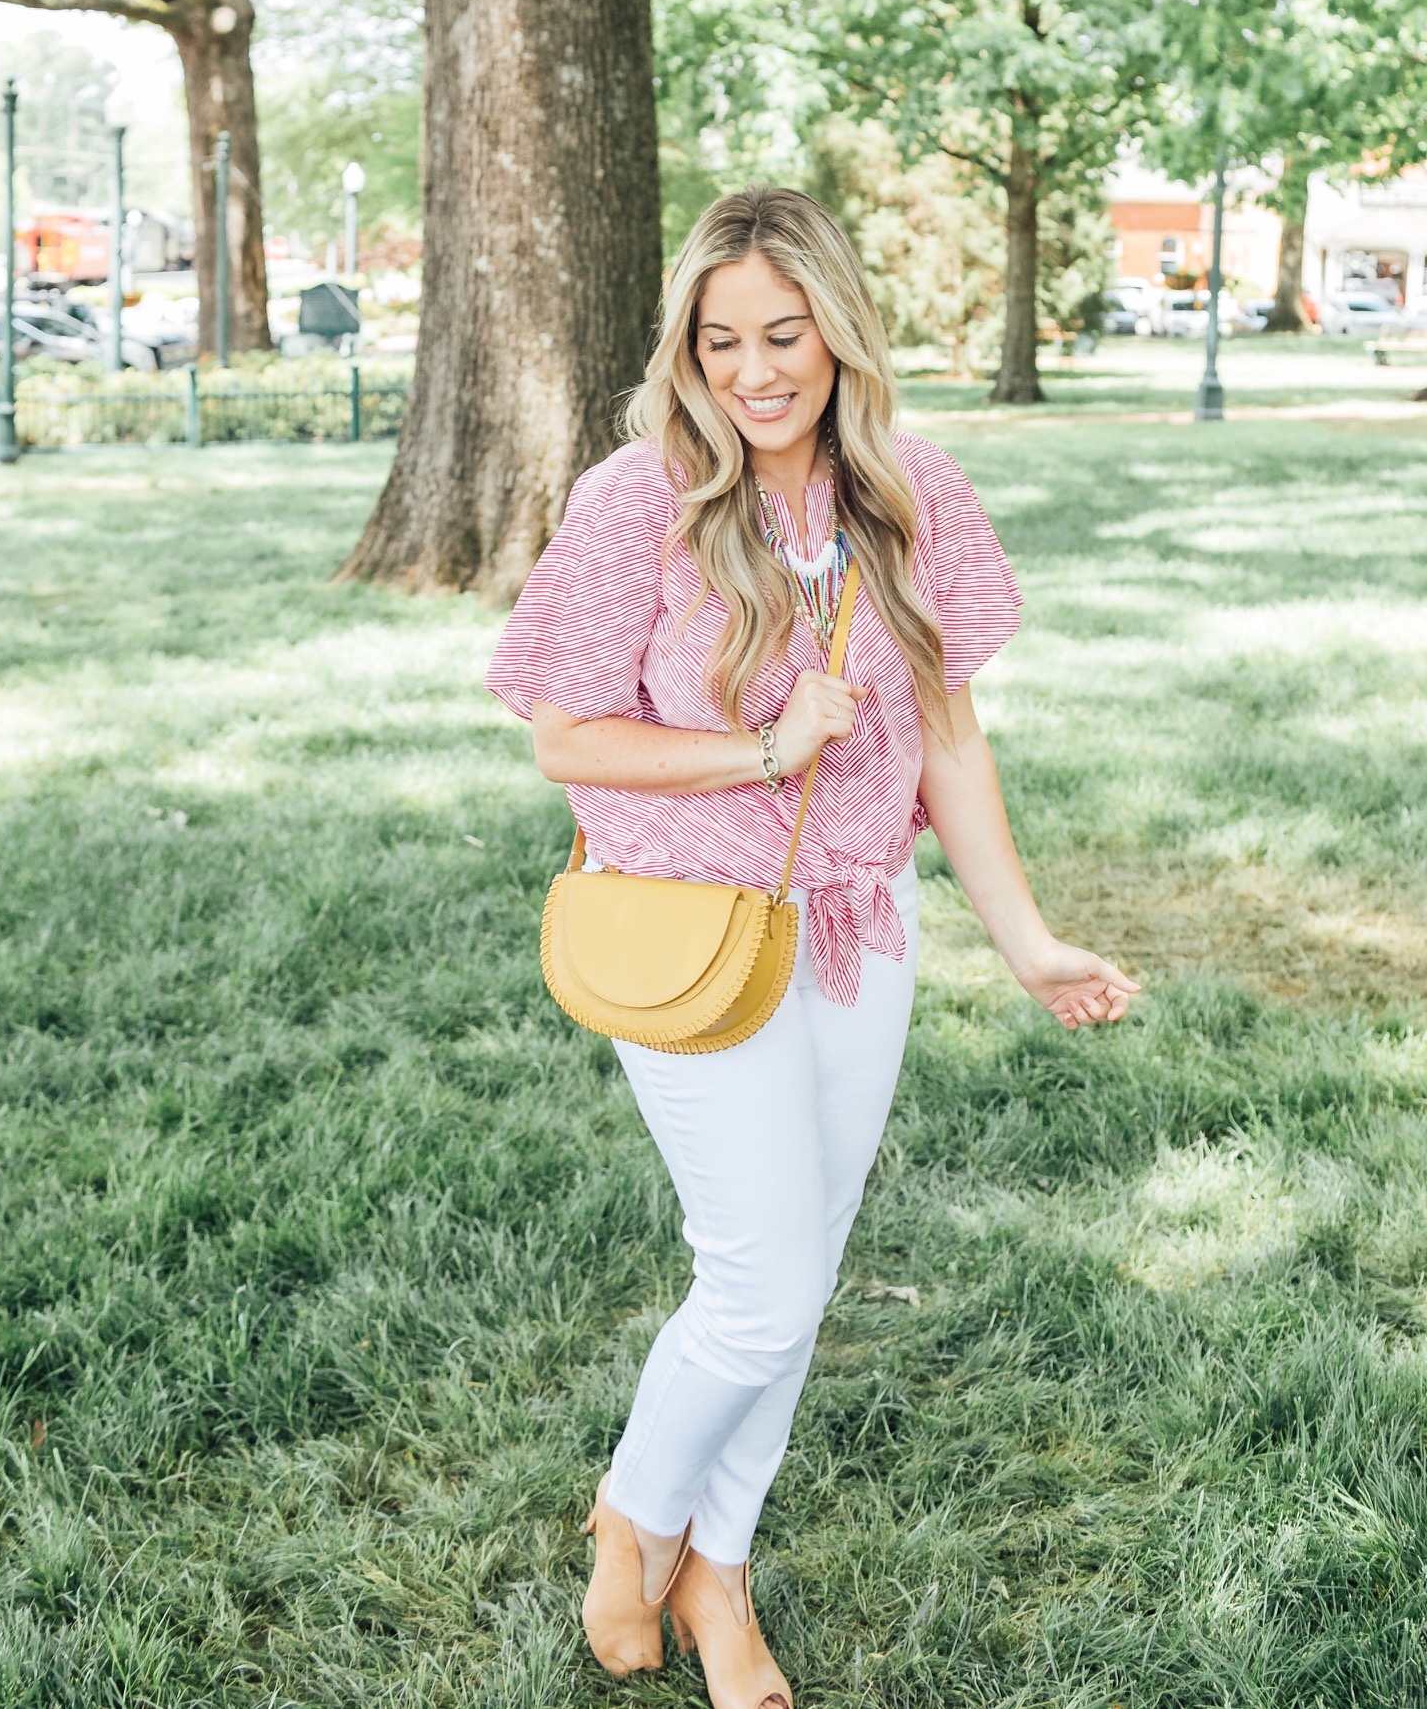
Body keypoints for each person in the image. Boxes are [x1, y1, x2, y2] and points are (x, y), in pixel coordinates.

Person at [486, 187, 1138, 1709]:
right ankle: (634, 1521)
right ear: (687, 351)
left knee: (808, 1263)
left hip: (861, 928)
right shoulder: (633, 502)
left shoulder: (914, 496)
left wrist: (1028, 941)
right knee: (761, 1284)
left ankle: (721, 1571)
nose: (756, 371)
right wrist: (760, 753)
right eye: (722, 342)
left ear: (841, 330)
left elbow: (951, 744)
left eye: (785, 334)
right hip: (691, 931)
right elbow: (564, 738)